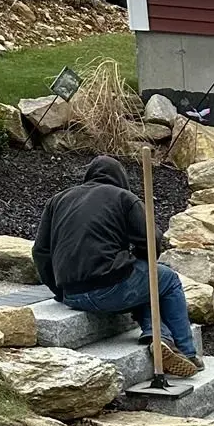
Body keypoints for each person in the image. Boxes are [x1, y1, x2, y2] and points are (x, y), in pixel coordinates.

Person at [32, 156, 201, 377]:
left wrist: (60, 290)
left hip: (72, 295)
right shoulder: (124, 198)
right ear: (121, 178)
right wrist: (139, 262)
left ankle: (161, 338)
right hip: (110, 288)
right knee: (165, 279)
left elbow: (40, 251)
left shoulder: (58, 200)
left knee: (142, 282)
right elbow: (152, 240)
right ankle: (187, 352)